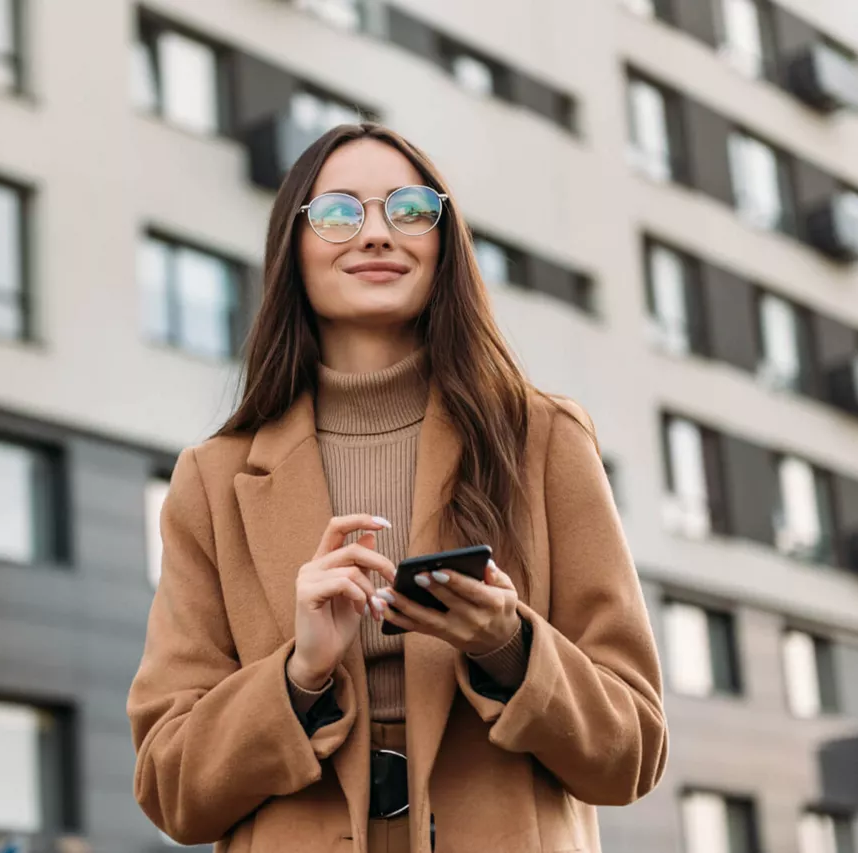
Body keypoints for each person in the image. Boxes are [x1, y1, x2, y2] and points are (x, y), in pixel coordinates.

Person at [127, 123, 668, 853]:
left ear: (445, 243)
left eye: (410, 210)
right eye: (339, 214)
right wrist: (299, 672)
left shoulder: (543, 440)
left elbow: (633, 748)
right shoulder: (213, 480)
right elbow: (170, 785)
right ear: (294, 249)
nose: (377, 233)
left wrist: (508, 646)